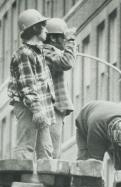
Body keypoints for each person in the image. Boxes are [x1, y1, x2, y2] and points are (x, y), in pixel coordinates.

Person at [7, 9, 55, 160]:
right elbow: (27, 86)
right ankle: (21, 180)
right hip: (29, 107)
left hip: (39, 108)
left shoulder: (37, 53)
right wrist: (36, 110)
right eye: (43, 26)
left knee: (46, 149)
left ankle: (45, 182)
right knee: (25, 148)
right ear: (35, 28)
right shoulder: (25, 54)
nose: (46, 31)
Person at [44, 18, 77, 158]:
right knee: (51, 152)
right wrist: (71, 42)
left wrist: (71, 45)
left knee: (54, 152)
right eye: (63, 38)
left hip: (56, 108)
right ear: (52, 38)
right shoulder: (45, 52)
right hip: (51, 108)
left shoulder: (53, 52)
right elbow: (67, 63)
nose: (65, 41)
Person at [75, 100, 121, 170]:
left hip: (104, 117)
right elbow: (95, 162)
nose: (119, 149)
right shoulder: (97, 127)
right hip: (85, 124)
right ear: (109, 135)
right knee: (86, 164)